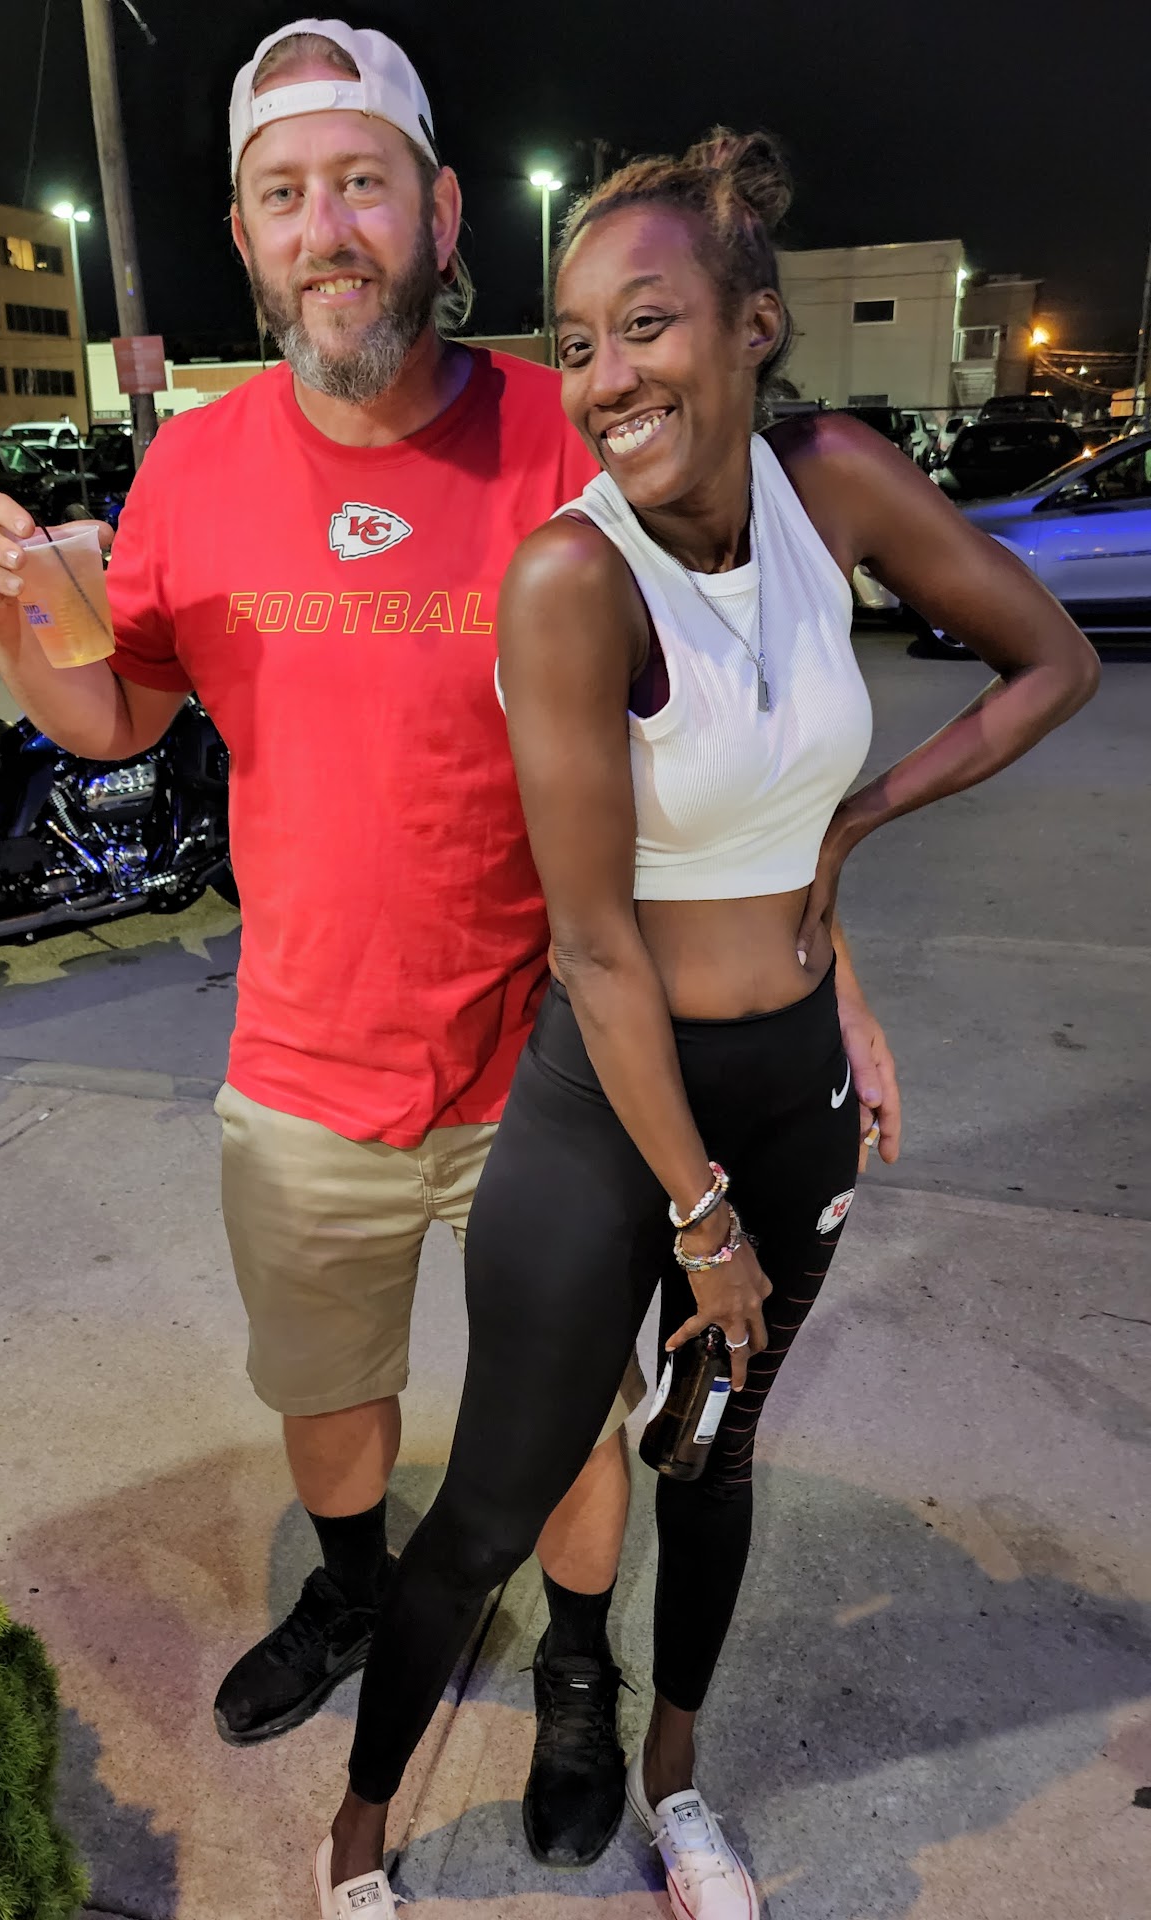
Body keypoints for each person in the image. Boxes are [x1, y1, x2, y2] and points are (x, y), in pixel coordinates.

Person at [0, 18, 898, 1871]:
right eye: (287, 195)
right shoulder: (194, 468)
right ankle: (356, 1591)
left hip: (560, 1059)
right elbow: (117, 714)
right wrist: (5, 613)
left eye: (363, 183)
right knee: (332, 1394)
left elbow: (753, 722)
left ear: (441, 211)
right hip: (304, 1061)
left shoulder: (570, 431)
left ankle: (582, 1665)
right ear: (245, 235)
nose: (329, 228)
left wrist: (823, 963)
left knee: (581, 1421)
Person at [316, 133, 1098, 1920]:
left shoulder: (837, 484)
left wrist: (861, 819)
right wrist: (702, 1216)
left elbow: (1050, 662)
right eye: (576, 345)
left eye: (646, 325)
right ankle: (356, 1841)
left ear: (753, 326)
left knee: (719, 1458)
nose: (605, 378)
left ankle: (676, 1786)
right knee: (495, 1501)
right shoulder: (571, 581)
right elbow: (595, 947)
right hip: (616, 1107)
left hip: (789, 1080)